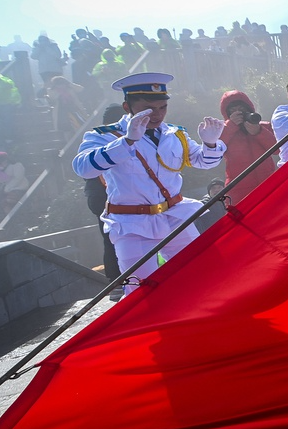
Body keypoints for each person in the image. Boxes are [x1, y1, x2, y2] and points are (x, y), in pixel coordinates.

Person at [72, 72, 226, 297]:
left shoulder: (175, 133)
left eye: (162, 107)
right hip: (132, 224)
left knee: (200, 272)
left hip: (174, 215)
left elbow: (202, 161)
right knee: (141, 290)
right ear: (128, 107)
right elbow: (83, 167)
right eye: (149, 108)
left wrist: (211, 144)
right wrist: (126, 142)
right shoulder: (105, 135)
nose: (157, 114)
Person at [84, 103, 126, 301]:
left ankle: (116, 280)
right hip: (107, 197)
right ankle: (118, 280)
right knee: (115, 238)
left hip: (103, 197)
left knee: (110, 239)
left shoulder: (97, 137)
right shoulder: (102, 139)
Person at [218, 90, 277, 205]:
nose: (238, 112)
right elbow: (215, 151)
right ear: (227, 113)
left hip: (269, 183)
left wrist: (259, 132)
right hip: (238, 190)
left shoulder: (264, 127)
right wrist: (231, 125)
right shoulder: (222, 130)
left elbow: (278, 149)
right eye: (233, 110)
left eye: (241, 108)